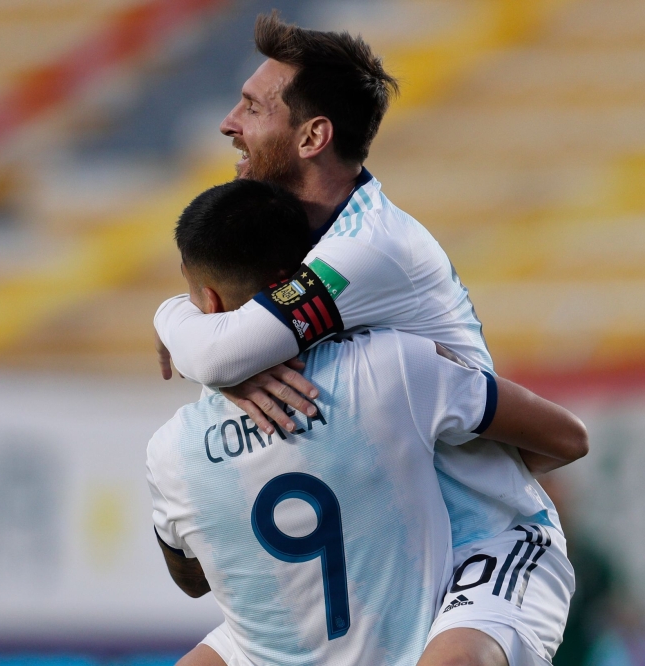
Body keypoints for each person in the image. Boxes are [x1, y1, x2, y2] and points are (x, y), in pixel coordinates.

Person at [153, 13, 576, 666]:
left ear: (313, 136)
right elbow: (222, 339)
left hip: (477, 544)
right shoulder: (284, 238)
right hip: (373, 551)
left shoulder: (369, 247)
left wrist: (176, 325)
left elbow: (218, 350)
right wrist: (201, 337)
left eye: (253, 107)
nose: (228, 123)